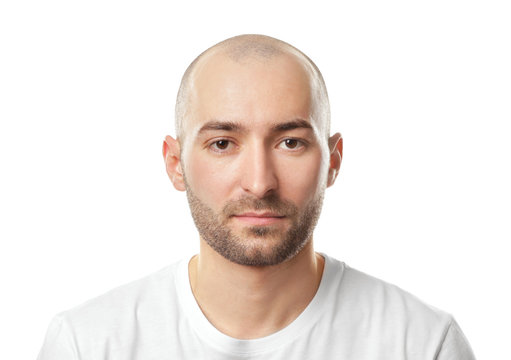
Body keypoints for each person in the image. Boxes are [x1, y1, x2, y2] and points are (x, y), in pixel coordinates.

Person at [37, 34, 476, 359]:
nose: (260, 182)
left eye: (290, 143)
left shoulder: (419, 343)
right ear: (175, 164)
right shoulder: (87, 344)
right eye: (223, 144)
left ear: (333, 161)